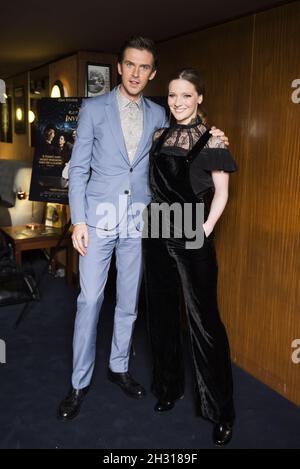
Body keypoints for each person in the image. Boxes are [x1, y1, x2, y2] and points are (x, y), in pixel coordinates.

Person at [57, 37, 229, 421]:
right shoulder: (93, 108)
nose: (136, 73)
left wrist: (216, 137)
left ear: (152, 73)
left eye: (144, 67)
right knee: (88, 301)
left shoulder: (158, 113)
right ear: (119, 67)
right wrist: (78, 221)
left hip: (143, 223)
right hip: (97, 222)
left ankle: (119, 367)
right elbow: (80, 167)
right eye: (130, 65)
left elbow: (187, 137)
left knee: (129, 303)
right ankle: (78, 382)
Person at [142, 68, 237, 446]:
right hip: (157, 230)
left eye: (186, 95)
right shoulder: (158, 135)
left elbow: (222, 193)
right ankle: (168, 388)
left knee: (204, 322)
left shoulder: (213, 139)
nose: (178, 102)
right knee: (161, 315)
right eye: (172, 96)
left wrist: (206, 228)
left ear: (199, 98)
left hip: (191, 233)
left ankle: (221, 410)